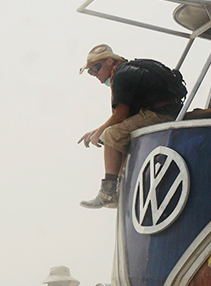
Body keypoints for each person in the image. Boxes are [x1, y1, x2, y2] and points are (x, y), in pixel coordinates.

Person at [77, 44, 186, 209]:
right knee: (115, 133)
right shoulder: (127, 70)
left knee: (112, 135)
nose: (95, 74)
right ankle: (121, 187)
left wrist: (99, 133)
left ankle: (108, 192)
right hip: (167, 111)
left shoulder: (122, 76)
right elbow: (122, 118)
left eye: (96, 68)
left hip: (161, 114)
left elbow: (119, 115)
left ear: (109, 61)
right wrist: (97, 131)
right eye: (91, 73)